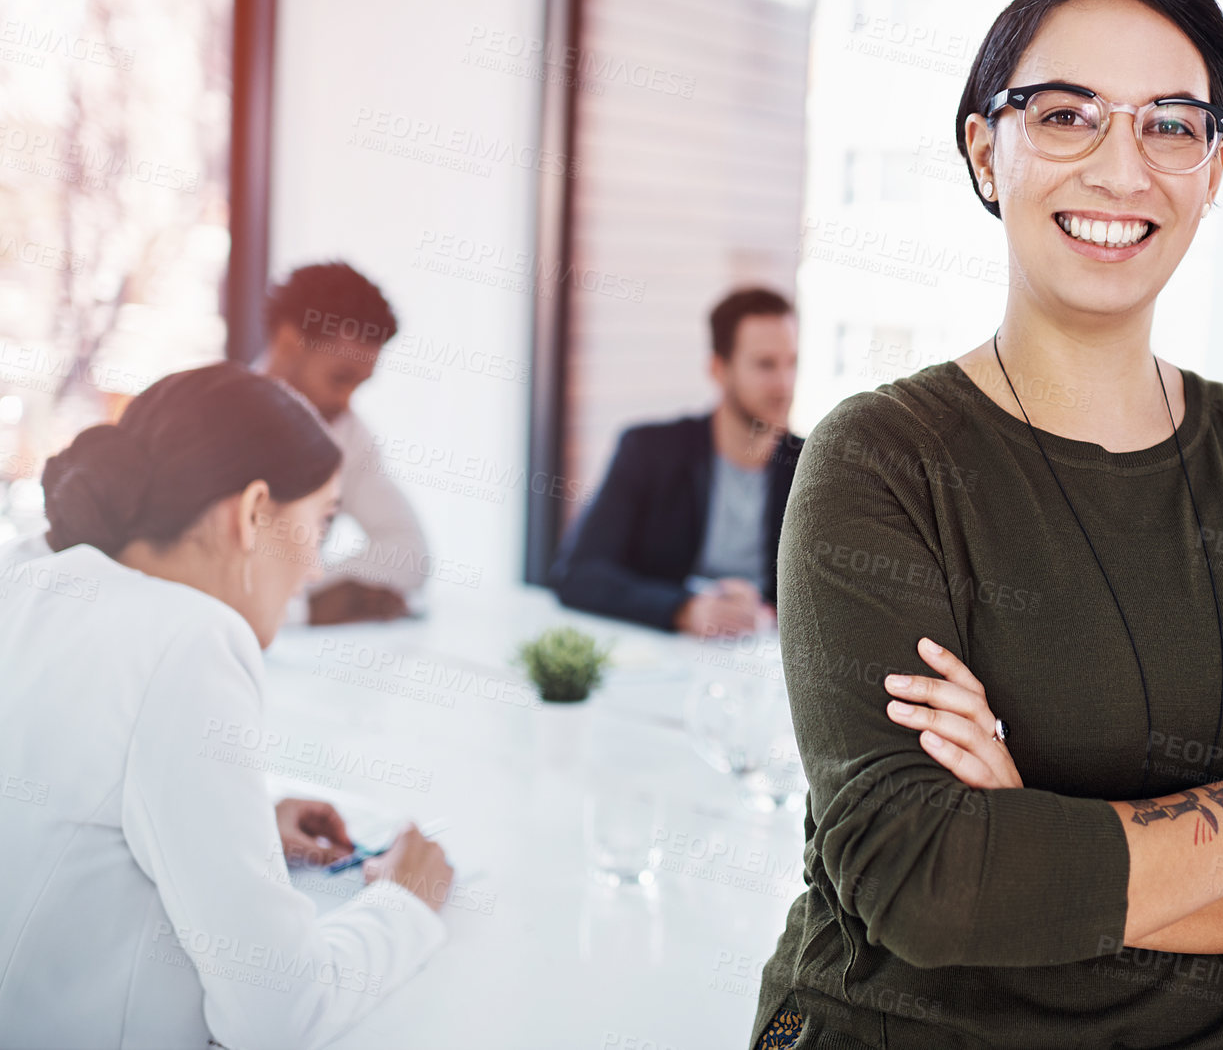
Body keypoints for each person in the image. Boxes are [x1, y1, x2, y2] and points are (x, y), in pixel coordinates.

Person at [750, 0, 1223, 1050]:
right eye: (1067, 114)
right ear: (987, 150)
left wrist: (1044, 849)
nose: (1123, 171)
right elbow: (928, 885)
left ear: (1215, 169)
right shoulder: (882, 459)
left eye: (1172, 124)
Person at [0, 362, 453, 1049]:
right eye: (321, 522)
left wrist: (239, 817)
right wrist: (404, 901)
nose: (316, 570)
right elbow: (281, 1014)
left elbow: (69, 812)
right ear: (251, 512)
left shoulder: (32, 577)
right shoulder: (190, 637)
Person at [549, 287, 803, 637]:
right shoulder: (649, 450)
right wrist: (684, 609)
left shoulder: (810, 467)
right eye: (765, 365)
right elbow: (579, 574)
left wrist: (771, 615)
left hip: (769, 668)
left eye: (792, 363)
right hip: (669, 658)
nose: (784, 384)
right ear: (718, 369)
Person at [256, 261, 431, 625]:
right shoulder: (207, 423)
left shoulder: (348, 434)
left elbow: (410, 554)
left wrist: (306, 597)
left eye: (359, 384)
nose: (348, 400)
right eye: (339, 378)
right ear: (289, 343)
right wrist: (306, 608)